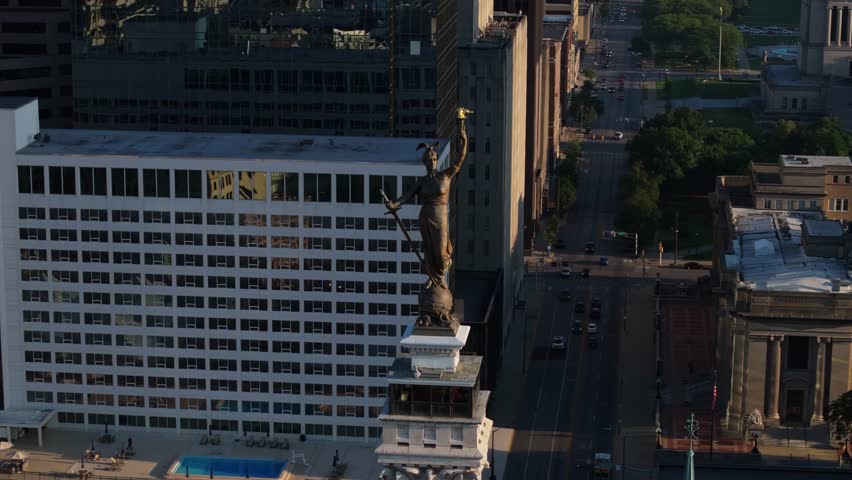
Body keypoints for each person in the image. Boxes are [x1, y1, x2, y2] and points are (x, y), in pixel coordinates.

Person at [386, 111, 469, 289]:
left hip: (440, 216)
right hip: (425, 217)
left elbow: (460, 159)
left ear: (437, 160)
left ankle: (440, 275)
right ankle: (433, 277)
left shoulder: (445, 175)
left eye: (433, 158)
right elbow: (406, 196)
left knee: (440, 251)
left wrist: (464, 140)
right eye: (428, 159)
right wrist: (393, 204)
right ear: (425, 162)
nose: (431, 160)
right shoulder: (422, 182)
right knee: (429, 250)